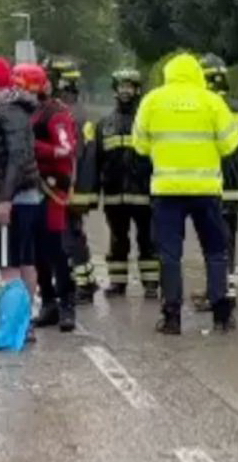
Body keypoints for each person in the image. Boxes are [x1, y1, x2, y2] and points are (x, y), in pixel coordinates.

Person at [132, 52, 238, 334]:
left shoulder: (152, 101)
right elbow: (231, 144)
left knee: (170, 255)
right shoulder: (212, 101)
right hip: (206, 191)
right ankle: (221, 314)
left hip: (167, 192)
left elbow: (140, 145)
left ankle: (171, 317)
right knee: (216, 252)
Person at [0, 57, 43, 323]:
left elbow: (16, 156)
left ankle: (12, 326)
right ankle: (24, 323)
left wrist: (4, 199)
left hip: (13, 199)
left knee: (9, 265)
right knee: (25, 261)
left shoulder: (7, 112)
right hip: (24, 198)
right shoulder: (9, 107)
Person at [92, 68, 160, 298]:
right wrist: (94, 191)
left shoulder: (148, 122)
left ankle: (151, 284)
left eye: (129, 86)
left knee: (148, 239)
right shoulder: (104, 124)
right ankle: (118, 283)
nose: (125, 91)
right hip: (114, 194)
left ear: (137, 89)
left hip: (144, 193)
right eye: (121, 86)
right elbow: (96, 160)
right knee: (117, 239)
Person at [26, 63, 81, 333]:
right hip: (28, 187)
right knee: (36, 250)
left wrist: (30, 145)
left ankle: (67, 304)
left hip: (51, 188)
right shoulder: (24, 112)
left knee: (56, 248)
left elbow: (65, 149)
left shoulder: (55, 114)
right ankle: (48, 302)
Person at [201, 54, 238, 303]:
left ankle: (219, 287)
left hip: (210, 184)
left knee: (212, 237)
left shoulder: (204, 108)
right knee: (227, 235)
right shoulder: (237, 109)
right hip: (230, 184)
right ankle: (226, 283)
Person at [51, 59, 100, 303]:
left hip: (70, 186)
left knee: (68, 236)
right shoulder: (79, 111)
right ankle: (87, 280)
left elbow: (75, 155)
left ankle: (82, 286)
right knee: (74, 233)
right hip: (79, 185)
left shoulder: (67, 114)